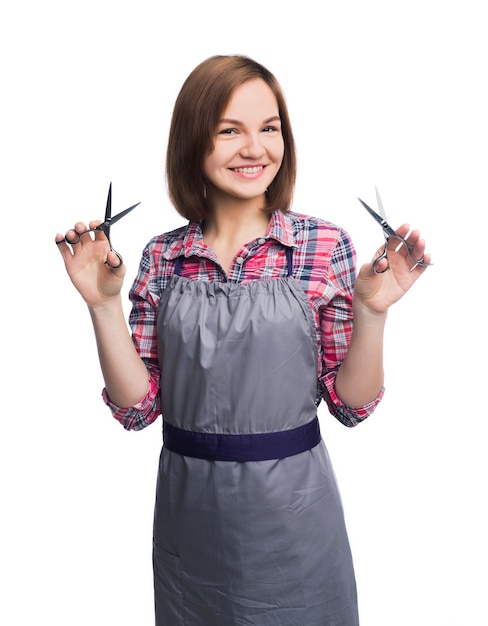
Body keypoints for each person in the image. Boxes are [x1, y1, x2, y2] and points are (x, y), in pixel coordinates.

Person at [55, 55, 431, 625]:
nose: (254, 148)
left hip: (296, 531)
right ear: (192, 142)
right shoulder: (162, 256)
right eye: (229, 130)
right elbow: (139, 410)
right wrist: (102, 305)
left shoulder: (322, 246)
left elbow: (351, 407)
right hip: (191, 531)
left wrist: (372, 311)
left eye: (269, 128)